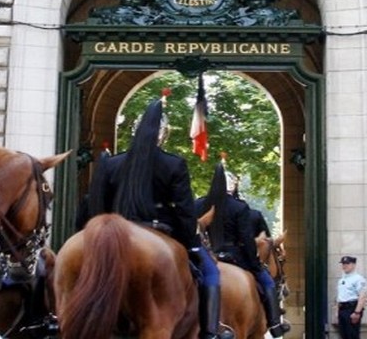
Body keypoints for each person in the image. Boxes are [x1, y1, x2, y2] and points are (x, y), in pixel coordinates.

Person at [78, 98, 232, 339]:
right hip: (161, 230)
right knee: (211, 270)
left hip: (114, 232)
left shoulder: (111, 164)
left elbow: (95, 205)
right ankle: (211, 331)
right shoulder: (173, 164)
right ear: (163, 135)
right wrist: (190, 242)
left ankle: (53, 317)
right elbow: (184, 211)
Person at [199, 162, 291, 338]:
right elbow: (247, 240)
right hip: (235, 256)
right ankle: (275, 323)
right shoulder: (240, 207)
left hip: (206, 257)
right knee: (268, 282)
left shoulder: (199, 204)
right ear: (232, 187)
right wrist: (254, 263)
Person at [336, 256, 367, 339]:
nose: (344, 266)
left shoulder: (358, 279)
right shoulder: (342, 279)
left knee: (352, 335)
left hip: (351, 308)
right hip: (342, 309)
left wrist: (357, 312)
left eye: (347, 263)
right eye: (343, 264)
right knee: (344, 334)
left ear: (353, 265)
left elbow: (362, 296)